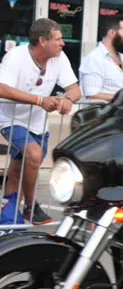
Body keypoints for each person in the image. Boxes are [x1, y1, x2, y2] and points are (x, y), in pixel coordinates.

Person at [0, 18, 80, 225]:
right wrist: (39, 100)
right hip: (11, 119)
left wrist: (67, 99)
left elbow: (75, 88)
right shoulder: (15, 57)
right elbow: (2, 88)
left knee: (18, 170)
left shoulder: (59, 58)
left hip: (38, 124)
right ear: (43, 41)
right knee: (33, 155)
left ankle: (7, 221)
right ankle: (30, 206)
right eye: (58, 39)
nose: (63, 43)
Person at [80, 15, 123, 101]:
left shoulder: (121, 57)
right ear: (112, 33)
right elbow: (91, 95)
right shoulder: (94, 59)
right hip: (102, 110)